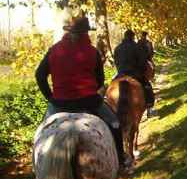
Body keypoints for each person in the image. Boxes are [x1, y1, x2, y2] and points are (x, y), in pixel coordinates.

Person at [35, 11, 127, 167]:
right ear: (85, 33)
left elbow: (39, 75)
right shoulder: (93, 52)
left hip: (60, 103)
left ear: (68, 31)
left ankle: (37, 166)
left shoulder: (54, 50)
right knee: (114, 123)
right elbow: (99, 81)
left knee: (41, 135)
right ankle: (121, 159)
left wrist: (50, 97)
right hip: (89, 102)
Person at [114, 30, 155, 116]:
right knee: (147, 87)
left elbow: (116, 62)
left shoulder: (117, 48)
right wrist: (142, 72)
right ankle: (150, 107)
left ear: (124, 37)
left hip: (120, 74)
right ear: (132, 37)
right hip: (135, 74)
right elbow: (142, 62)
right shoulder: (137, 47)